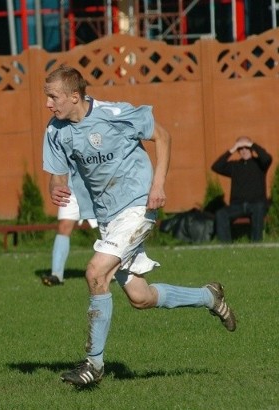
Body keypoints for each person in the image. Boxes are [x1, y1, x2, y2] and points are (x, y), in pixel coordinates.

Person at [42, 65, 236, 387]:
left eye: (53, 97)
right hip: (107, 218)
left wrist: (157, 186)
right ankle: (209, 297)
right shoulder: (56, 130)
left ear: (74, 96)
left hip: (136, 206)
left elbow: (163, 135)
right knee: (140, 297)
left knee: (95, 273)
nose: (49, 104)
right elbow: (58, 172)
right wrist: (55, 186)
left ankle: (94, 364)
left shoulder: (114, 114)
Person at [211, 136, 272, 243]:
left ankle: (256, 245)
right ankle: (225, 247)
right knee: (221, 213)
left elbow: (267, 158)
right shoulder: (235, 166)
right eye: (241, 149)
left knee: (259, 208)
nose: (244, 151)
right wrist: (232, 149)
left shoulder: (260, 164)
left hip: (256, 204)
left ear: (251, 149)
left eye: (246, 148)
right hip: (237, 206)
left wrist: (252, 144)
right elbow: (216, 167)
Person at [42, 193, 98, 286]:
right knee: (63, 227)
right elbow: (56, 178)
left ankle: (116, 271)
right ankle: (56, 275)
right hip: (71, 192)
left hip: (97, 190)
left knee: (107, 229)